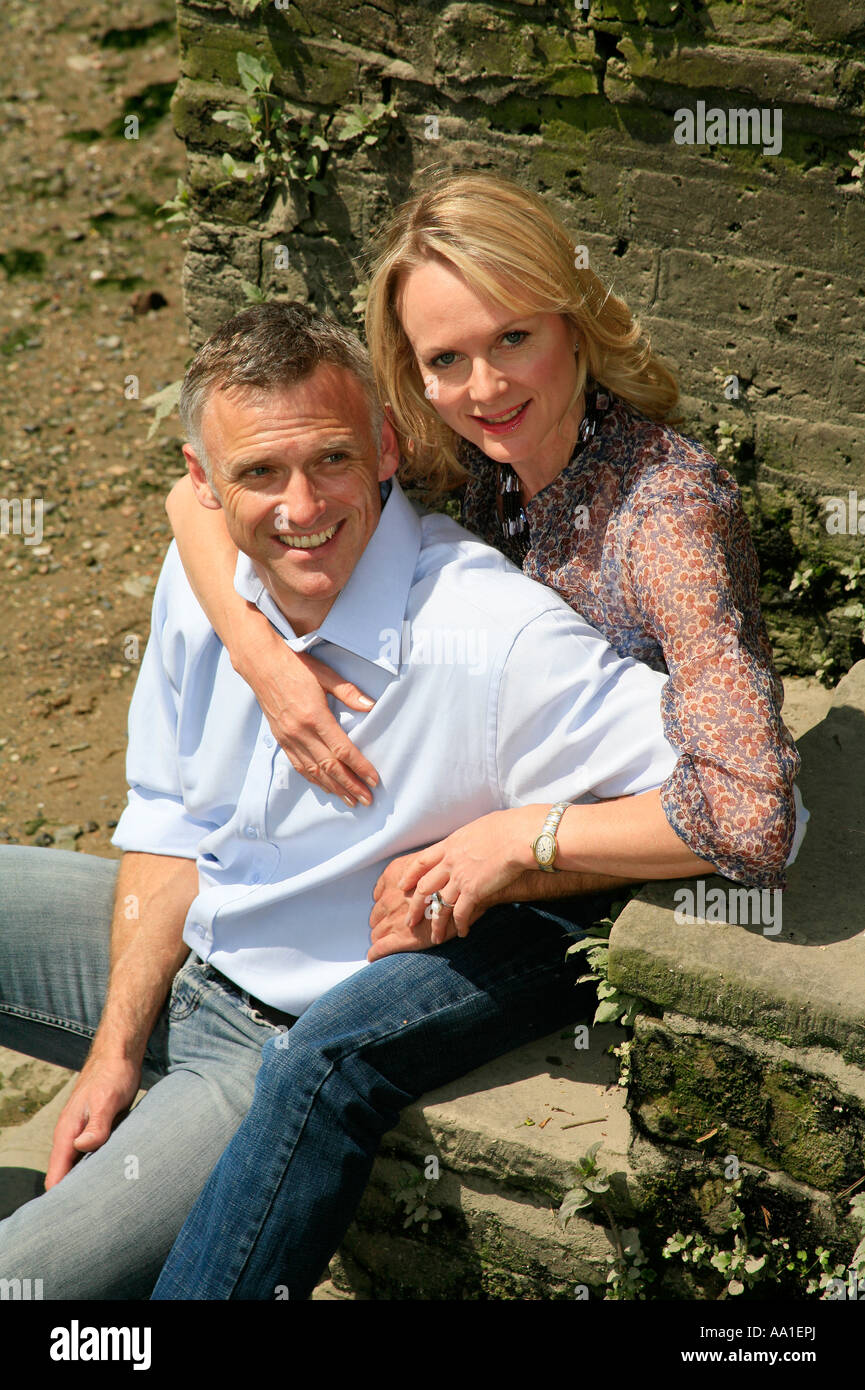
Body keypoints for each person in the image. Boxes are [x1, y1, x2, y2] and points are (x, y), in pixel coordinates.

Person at [0, 302, 711, 1301]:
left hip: (260, 1050)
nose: (299, 505)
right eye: (257, 474)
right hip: (163, 949)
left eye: (329, 459)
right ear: (203, 486)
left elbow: (732, 807)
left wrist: (522, 841)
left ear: (384, 444)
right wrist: (113, 1054)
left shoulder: (491, 640)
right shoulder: (204, 577)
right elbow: (167, 818)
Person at [165, 173, 805, 928]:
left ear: (572, 322)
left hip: (620, 865)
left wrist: (517, 839)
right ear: (415, 373)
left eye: (513, 338)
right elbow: (190, 500)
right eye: (446, 361)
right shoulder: (478, 454)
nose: (487, 387)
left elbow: (753, 817)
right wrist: (261, 658)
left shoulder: (665, 522)